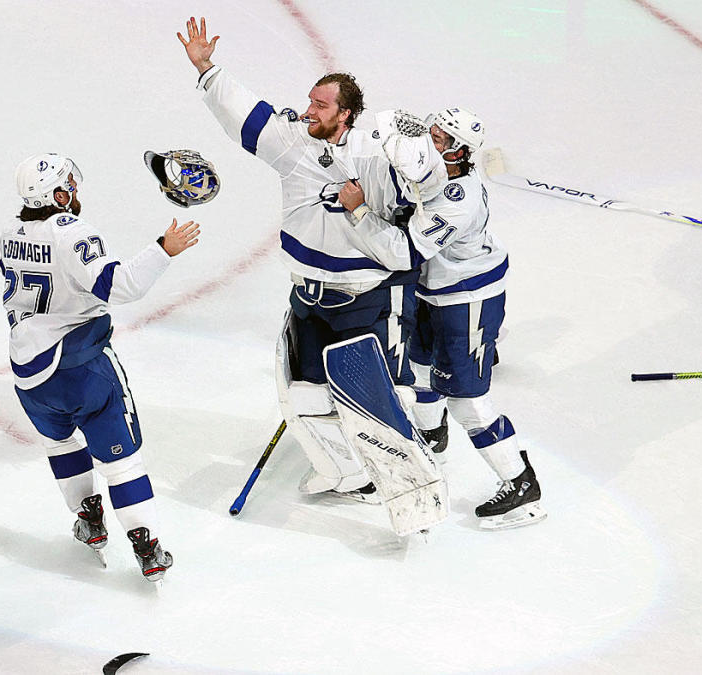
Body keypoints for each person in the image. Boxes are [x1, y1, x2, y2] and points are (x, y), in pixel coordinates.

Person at [178, 17, 429, 499]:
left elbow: (416, 210)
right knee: (307, 396)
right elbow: (245, 114)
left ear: (347, 114)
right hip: (308, 297)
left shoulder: (379, 158)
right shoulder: (294, 142)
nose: (309, 110)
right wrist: (207, 67)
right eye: (310, 101)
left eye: (321, 104)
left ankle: (403, 475)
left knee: (379, 397)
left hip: (364, 298)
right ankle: (346, 471)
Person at [3, 154, 200, 581]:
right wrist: (164, 250)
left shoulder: (9, 234)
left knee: (62, 445)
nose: (74, 190)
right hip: (81, 369)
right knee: (122, 462)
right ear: (57, 194)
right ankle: (147, 546)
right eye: (68, 184)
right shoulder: (72, 232)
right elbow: (118, 286)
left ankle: (89, 520)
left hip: (28, 374)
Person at [400, 109, 545, 530]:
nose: (430, 141)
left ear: (459, 151)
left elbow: (409, 250)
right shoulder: (431, 172)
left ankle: (522, 486)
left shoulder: (457, 199)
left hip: (467, 299)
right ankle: (431, 437)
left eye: (440, 138)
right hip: (434, 291)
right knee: (421, 369)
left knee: (468, 400)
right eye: (432, 132)